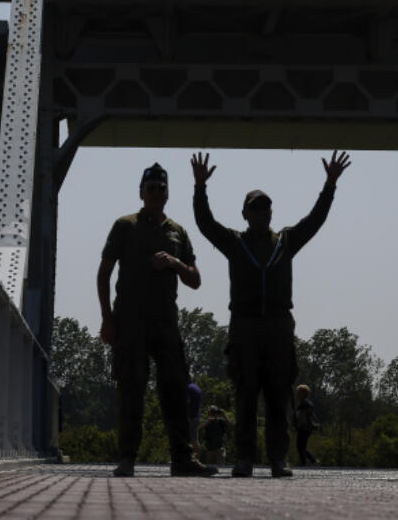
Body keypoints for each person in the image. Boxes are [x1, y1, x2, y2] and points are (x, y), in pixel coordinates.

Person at [191, 150, 351, 478]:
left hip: (278, 327)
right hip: (245, 328)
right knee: (246, 395)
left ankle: (279, 458)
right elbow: (205, 224)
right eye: (255, 208)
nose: (262, 212)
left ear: (271, 212)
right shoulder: (235, 243)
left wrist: (330, 185)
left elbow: (315, 220)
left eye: (266, 207)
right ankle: (245, 459)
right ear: (245, 213)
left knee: (278, 396)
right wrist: (199, 188)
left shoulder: (287, 241)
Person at [97, 162, 216, 478]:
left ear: (167, 193)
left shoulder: (177, 231)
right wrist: (107, 319)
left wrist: (175, 262)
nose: (156, 192)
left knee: (176, 391)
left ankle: (183, 459)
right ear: (141, 192)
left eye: (161, 188)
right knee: (131, 389)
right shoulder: (125, 225)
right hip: (130, 320)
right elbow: (104, 273)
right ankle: (127, 458)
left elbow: (195, 280)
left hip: (166, 322)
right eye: (150, 187)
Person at [294, 384, 319, 466]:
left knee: (301, 446)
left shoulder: (305, 403)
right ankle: (308, 461)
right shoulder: (303, 403)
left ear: (304, 393)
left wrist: (307, 424)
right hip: (303, 427)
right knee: (300, 446)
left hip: (305, 427)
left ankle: (310, 461)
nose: (297, 394)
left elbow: (307, 415)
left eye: (299, 392)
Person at [187, 378, 203, 455]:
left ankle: (187, 459)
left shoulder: (188, 388)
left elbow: (187, 400)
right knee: (195, 440)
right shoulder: (197, 388)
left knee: (186, 439)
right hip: (196, 415)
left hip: (189, 416)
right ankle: (197, 460)